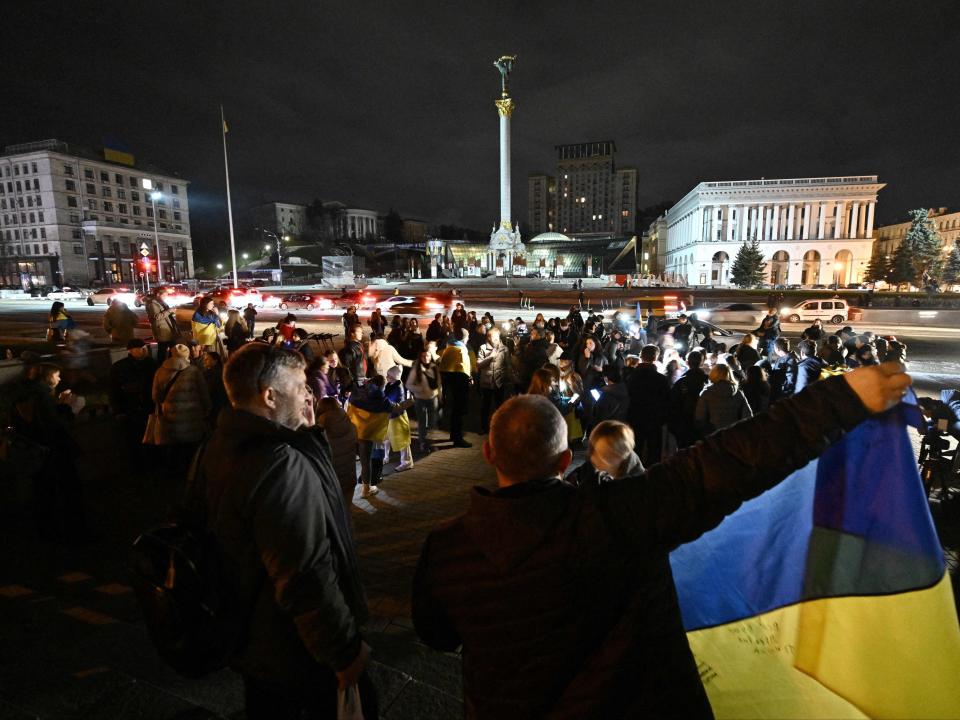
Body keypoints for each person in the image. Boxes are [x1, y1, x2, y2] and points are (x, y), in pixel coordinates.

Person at [412, 365, 911, 719]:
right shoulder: (621, 515)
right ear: (567, 461)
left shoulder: (446, 549)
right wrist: (838, 399)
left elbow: (436, 635)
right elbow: (725, 463)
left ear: (489, 453)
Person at [198, 343, 376, 719]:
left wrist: (305, 431)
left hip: (251, 639)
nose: (309, 394)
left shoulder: (218, 445)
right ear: (269, 395)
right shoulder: (279, 463)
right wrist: (343, 651)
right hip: (295, 648)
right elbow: (304, 571)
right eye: (300, 386)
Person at [150, 342, 211, 473]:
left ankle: (174, 473)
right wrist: (207, 409)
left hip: (170, 417)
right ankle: (190, 473)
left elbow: (155, 396)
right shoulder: (193, 371)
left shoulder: (160, 371)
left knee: (174, 448)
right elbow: (203, 393)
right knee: (190, 450)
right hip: (192, 417)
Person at [347, 374, 394, 497]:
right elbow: (392, 407)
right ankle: (366, 489)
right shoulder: (381, 398)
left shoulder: (358, 392)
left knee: (349, 461)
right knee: (366, 462)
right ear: (381, 386)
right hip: (366, 434)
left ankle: (347, 489)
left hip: (352, 430)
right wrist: (409, 402)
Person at [109, 338, 157, 455]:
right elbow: (114, 390)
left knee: (151, 435)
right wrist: (118, 410)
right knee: (133, 437)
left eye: (145, 348)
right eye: (141, 348)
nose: (145, 350)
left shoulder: (151, 363)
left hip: (149, 406)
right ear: (131, 351)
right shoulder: (120, 367)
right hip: (130, 408)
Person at [625, 344, 671, 466]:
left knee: (635, 448)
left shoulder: (631, 377)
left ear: (641, 356)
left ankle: (634, 474)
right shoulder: (661, 379)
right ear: (655, 357)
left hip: (635, 416)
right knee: (654, 451)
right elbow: (667, 400)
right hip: (654, 418)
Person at [568, 419, 644, 486]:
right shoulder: (583, 473)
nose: (598, 459)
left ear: (623, 454)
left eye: (607, 455)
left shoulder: (637, 484)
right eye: (595, 452)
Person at [316, 395, 359, 503]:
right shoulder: (351, 427)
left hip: (332, 481)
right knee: (347, 510)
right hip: (349, 477)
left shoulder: (321, 433)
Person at [696, 363, 753, 435]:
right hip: (733, 434)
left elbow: (699, 417)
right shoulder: (738, 393)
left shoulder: (706, 393)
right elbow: (748, 416)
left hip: (713, 435)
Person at [668, 349, 708, 448]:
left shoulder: (682, 382)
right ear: (702, 362)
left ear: (687, 362)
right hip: (702, 422)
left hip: (683, 422)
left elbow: (672, 402)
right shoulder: (707, 381)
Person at [439, 328, 472, 448]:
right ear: (464, 338)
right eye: (467, 337)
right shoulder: (460, 350)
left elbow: (444, 368)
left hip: (449, 386)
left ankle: (454, 434)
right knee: (459, 411)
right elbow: (463, 369)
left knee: (453, 411)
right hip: (459, 385)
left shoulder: (449, 348)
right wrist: (468, 378)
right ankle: (458, 438)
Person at [476, 327, 512, 433]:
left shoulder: (504, 349)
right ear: (488, 337)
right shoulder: (483, 348)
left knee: (500, 406)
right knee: (485, 406)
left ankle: (500, 426)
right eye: (493, 337)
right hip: (486, 382)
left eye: (497, 336)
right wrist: (490, 357)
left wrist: (509, 378)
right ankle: (484, 427)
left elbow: (508, 365)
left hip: (499, 382)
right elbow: (478, 365)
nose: (496, 339)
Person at [406, 347, 440, 453]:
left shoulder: (434, 368)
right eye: (423, 356)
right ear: (420, 357)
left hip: (433, 398)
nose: (426, 358)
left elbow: (439, 383)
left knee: (432, 422)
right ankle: (423, 443)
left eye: (428, 356)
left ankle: (430, 442)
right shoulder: (417, 369)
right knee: (422, 422)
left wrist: (440, 395)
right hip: (420, 399)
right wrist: (420, 389)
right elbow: (408, 384)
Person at [383, 365, 414, 471]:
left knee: (402, 440)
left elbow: (396, 403)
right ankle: (385, 457)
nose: (386, 377)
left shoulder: (398, 387)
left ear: (394, 377)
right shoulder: (390, 385)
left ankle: (407, 462)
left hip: (397, 417)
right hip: (389, 416)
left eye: (388, 375)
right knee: (385, 438)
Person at [145, 288, 179, 360]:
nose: (165, 297)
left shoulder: (160, 302)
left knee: (172, 348)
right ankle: (162, 365)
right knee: (163, 349)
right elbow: (157, 317)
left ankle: (170, 363)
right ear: (158, 294)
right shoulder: (152, 303)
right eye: (164, 295)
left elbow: (164, 313)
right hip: (161, 330)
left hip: (167, 328)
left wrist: (171, 311)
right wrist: (170, 311)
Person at [338, 323, 368, 388]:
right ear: (352, 333)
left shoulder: (358, 345)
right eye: (359, 332)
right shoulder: (350, 348)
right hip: (356, 378)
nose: (361, 334)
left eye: (361, 332)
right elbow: (346, 366)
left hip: (361, 375)